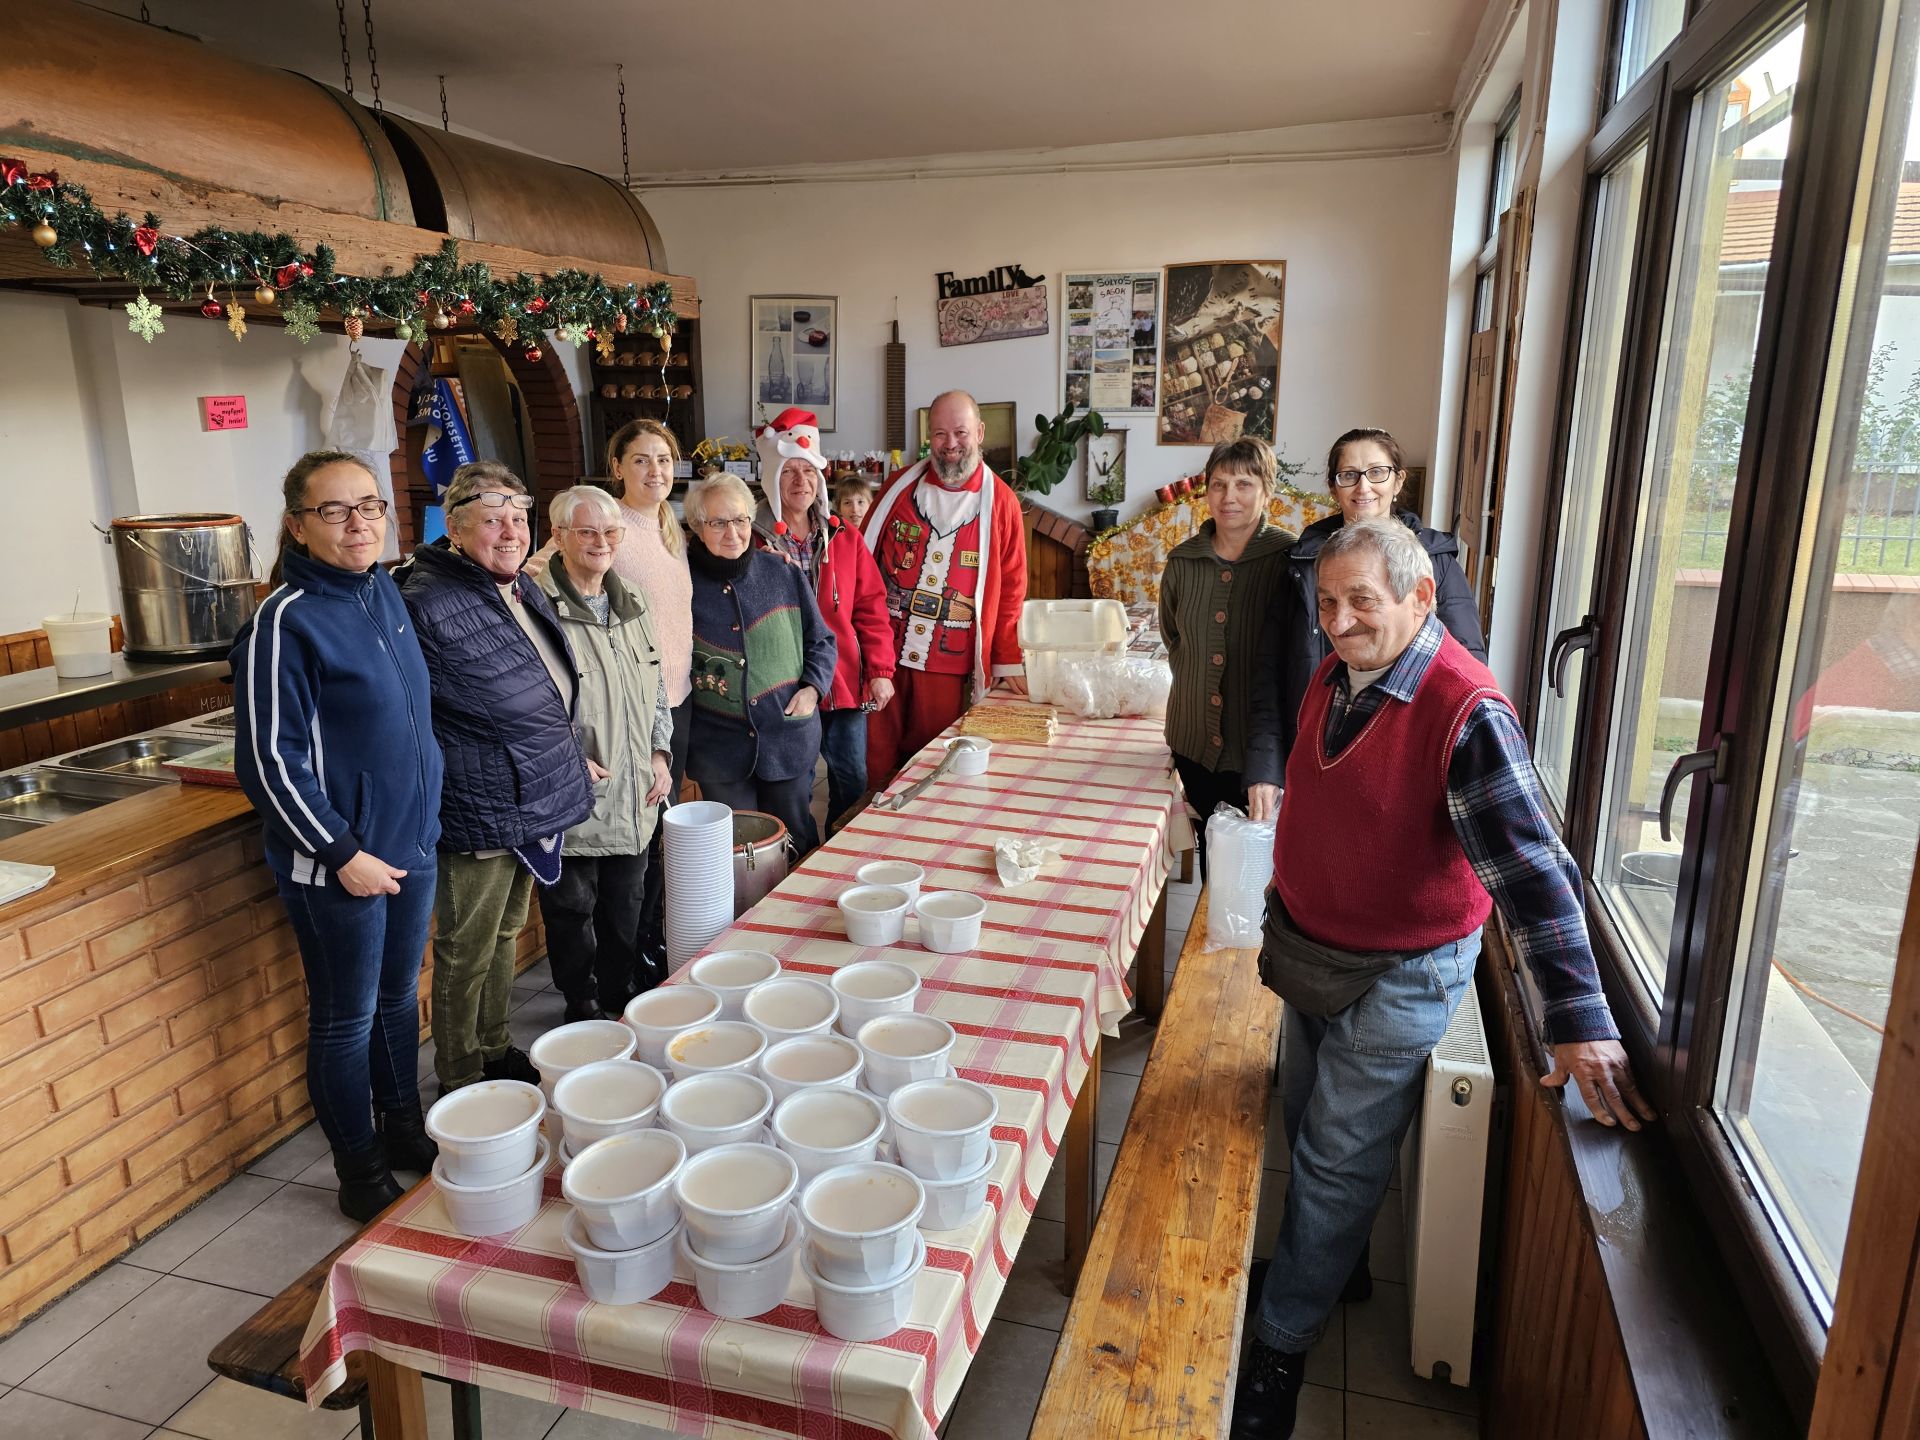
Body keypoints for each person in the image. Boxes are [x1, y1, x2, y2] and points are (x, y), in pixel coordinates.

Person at [1231, 519, 1652, 1440]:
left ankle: (1278, 1351)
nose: (1339, 622)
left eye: (1362, 603)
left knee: (1337, 1165)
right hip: (1314, 947)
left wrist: (1578, 1019)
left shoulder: (1467, 710)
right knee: (1305, 1125)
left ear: (1421, 599)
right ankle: (1333, 1274)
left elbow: (1536, 875)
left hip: (1404, 970)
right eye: (1328, 603)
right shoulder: (1340, 670)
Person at [231, 451, 445, 1221]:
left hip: (410, 844)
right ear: (297, 524)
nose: (359, 523)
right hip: (339, 864)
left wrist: (426, 818)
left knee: (395, 1002)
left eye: (370, 506)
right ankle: (358, 1169)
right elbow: (266, 760)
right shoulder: (282, 622)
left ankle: (399, 1129)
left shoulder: (383, 587)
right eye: (336, 510)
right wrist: (342, 853)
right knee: (346, 1017)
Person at [396, 460, 594, 1095]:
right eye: (492, 520)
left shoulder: (512, 585)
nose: (511, 532)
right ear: (455, 529)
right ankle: (459, 1076)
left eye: (518, 518)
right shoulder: (427, 601)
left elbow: (533, 690)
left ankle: (492, 1047)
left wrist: (567, 752)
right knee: (467, 947)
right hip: (479, 800)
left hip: (524, 792)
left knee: (507, 931)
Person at [527, 420, 692, 980]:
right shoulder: (536, 604)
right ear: (559, 534)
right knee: (574, 905)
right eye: (586, 533)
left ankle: (625, 985)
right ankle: (582, 1002)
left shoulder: (640, 586)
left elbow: (651, 687)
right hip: (578, 774)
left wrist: (661, 752)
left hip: (642, 757)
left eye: (609, 535)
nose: (599, 542)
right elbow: (531, 699)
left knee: (629, 892)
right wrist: (566, 754)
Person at [1247, 426, 1486, 800]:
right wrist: (1265, 767)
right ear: (1333, 487)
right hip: (1315, 752)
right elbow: (1270, 670)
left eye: (1377, 472)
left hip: (1400, 765)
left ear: (1398, 480)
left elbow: (1465, 666)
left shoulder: (1433, 563)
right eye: (1348, 476)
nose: (1363, 487)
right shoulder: (1302, 562)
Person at [862, 390, 1027, 786]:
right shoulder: (898, 489)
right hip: (887, 657)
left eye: (960, 433)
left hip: (948, 666)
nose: (950, 445)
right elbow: (863, 565)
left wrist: (1005, 662)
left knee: (936, 767)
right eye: (940, 434)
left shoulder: (1001, 503)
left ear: (980, 432)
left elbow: (1011, 591)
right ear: (928, 438)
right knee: (875, 762)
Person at [751, 408, 897, 831]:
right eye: (789, 472)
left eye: (808, 472)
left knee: (852, 778)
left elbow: (871, 607)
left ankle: (839, 851)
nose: (801, 483)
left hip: (842, 680)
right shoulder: (750, 539)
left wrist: (880, 671)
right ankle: (800, 859)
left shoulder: (844, 537)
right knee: (792, 790)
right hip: (781, 682)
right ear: (771, 478)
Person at [1157, 437, 1295, 876]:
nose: (1229, 497)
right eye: (1218, 484)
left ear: (1267, 491)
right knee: (1211, 862)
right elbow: (1173, 638)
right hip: (1194, 744)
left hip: (1259, 752)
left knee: (1257, 870)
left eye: (1244, 484)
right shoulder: (1183, 562)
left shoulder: (1289, 559)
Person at [684, 473, 837, 852]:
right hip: (719, 746)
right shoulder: (681, 582)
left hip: (787, 736)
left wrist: (812, 689)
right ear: (697, 526)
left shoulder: (782, 572)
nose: (732, 532)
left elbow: (821, 640)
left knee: (795, 839)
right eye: (718, 522)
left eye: (740, 520)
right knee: (734, 848)